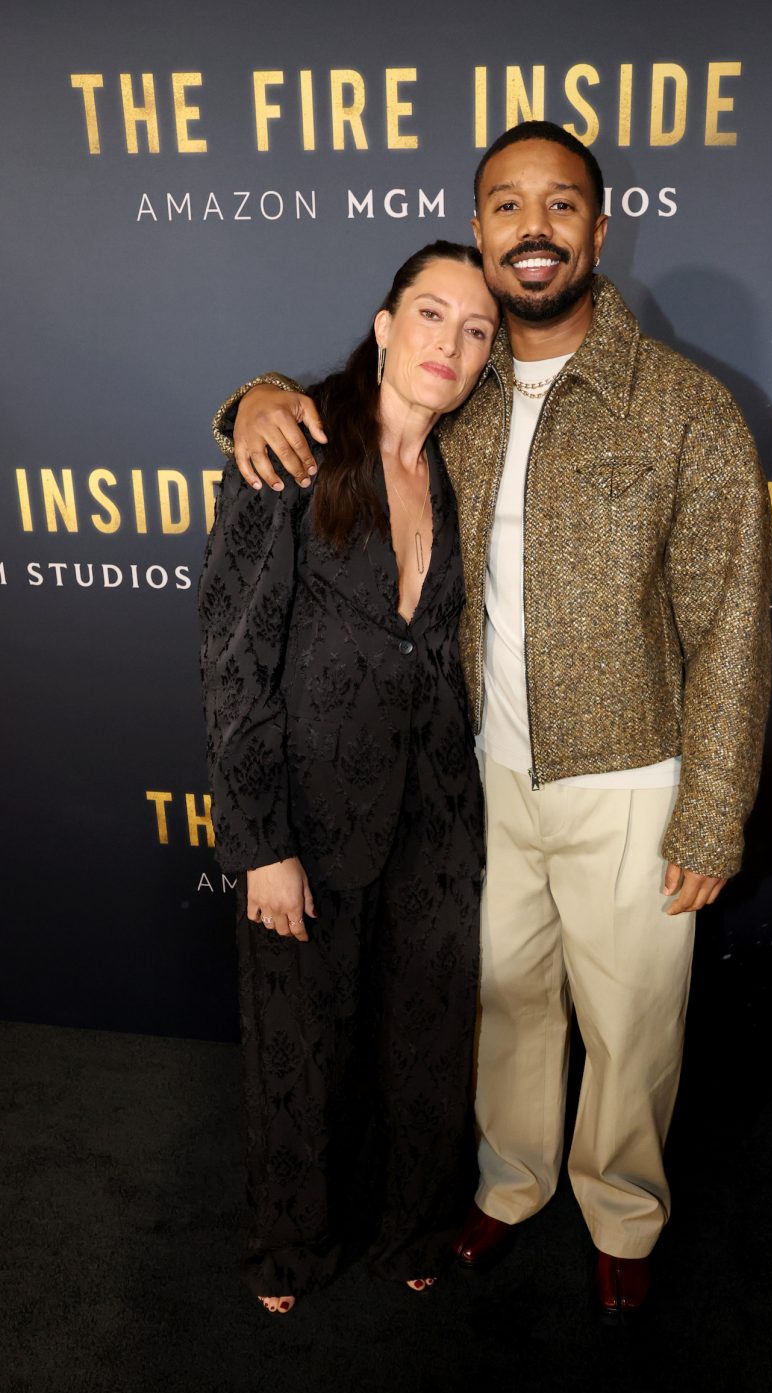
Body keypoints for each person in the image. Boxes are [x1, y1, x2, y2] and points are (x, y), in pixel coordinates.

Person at [213, 122, 772, 1323]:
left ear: (597, 231)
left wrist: (714, 809)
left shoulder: (684, 410)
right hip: (475, 784)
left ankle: (621, 1210)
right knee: (504, 1011)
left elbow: (730, 623)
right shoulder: (456, 392)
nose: (534, 229)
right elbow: (332, 417)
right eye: (507, 206)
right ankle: (509, 1187)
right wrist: (248, 399)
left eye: (560, 206)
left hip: (632, 779)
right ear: (478, 231)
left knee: (630, 1023)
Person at [199, 240, 498, 1313]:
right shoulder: (295, 448)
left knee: (422, 1038)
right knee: (300, 1046)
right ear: (382, 325)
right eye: (430, 315)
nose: (449, 345)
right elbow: (234, 663)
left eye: (475, 330)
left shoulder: (472, 464)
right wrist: (260, 843)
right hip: (309, 818)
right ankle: (290, 1245)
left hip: (438, 817)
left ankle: (413, 1220)